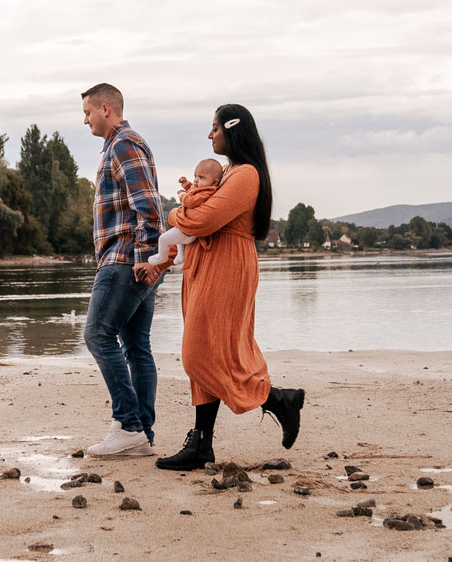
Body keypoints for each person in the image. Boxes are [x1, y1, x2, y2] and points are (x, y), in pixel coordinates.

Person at [150, 103, 305, 471]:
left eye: (215, 128)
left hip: (228, 265)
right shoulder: (229, 172)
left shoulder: (245, 175)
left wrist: (172, 214)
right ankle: (201, 444)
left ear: (233, 130)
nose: (210, 135)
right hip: (207, 262)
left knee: (200, 352)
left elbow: (202, 219)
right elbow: (200, 217)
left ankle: (278, 399)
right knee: (209, 347)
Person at [79, 81, 163, 458]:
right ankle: (141, 433)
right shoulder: (123, 144)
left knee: (97, 335)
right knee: (135, 347)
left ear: (106, 109)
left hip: (125, 258)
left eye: (87, 112)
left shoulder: (124, 143)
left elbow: (147, 205)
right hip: (136, 258)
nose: (86, 120)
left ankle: (128, 424)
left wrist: (146, 258)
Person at [147, 159, 226, 268]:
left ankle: (162, 256)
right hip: (186, 231)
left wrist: (181, 195)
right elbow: (192, 189)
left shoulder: (208, 192)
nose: (196, 180)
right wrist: (186, 184)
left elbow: (191, 201)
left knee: (162, 239)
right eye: (195, 176)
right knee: (177, 230)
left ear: (214, 182)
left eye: (201, 177)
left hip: (188, 232)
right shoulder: (202, 188)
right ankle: (181, 254)